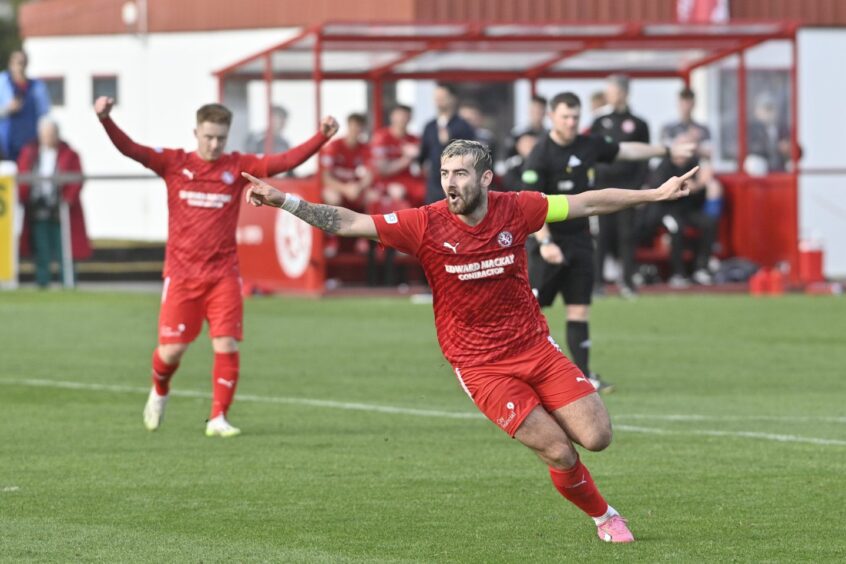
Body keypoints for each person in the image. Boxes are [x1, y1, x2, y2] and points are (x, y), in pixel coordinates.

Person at [241, 139, 697, 544]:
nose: (449, 183)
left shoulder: (517, 208)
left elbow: (587, 204)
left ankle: (592, 488)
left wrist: (654, 193)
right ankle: (604, 517)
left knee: (597, 437)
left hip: (535, 348)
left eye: (459, 173)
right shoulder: (424, 223)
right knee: (558, 449)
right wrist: (285, 200)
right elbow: (347, 222)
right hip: (480, 365)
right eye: (444, 174)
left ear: (485, 177)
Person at [94, 95, 338, 437]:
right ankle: (160, 389)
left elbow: (282, 161)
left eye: (220, 138)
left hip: (223, 274)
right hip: (181, 276)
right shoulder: (174, 163)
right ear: (196, 132)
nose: (214, 144)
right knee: (172, 351)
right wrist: (105, 119)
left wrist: (321, 137)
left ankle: (218, 418)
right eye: (208, 137)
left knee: (226, 343)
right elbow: (131, 149)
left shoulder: (235, 166)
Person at [521, 92, 693, 392]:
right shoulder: (540, 154)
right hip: (547, 242)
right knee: (533, 311)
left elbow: (626, 150)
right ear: (552, 117)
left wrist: (667, 150)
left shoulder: (588, 144)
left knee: (579, 309)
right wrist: (546, 242)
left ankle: (584, 375)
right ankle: (521, 373)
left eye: (575, 117)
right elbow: (531, 206)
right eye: (565, 117)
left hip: (580, 241)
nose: (571, 122)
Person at [590, 74, 651, 297]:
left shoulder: (639, 123)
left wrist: (639, 186)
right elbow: (591, 153)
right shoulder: (598, 121)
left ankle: (627, 282)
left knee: (627, 235)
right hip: (603, 187)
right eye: (609, 91)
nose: (611, 96)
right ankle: (597, 283)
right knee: (601, 235)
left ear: (625, 93)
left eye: (615, 91)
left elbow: (644, 158)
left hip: (628, 187)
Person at [17, 116, 91, 287]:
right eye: (44, 134)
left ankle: (68, 282)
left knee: (65, 249)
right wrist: (23, 196)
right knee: (40, 249)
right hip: (38, 207)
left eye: (50, 134)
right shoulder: (30, 152)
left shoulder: (69, 154)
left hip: (61, 209)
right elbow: (22, 175)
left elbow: (76, 178)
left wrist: (69, 198)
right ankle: (43, 282)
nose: (47, 137)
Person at [642, 131, 722, 287]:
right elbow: (663, 192)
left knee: (709, 222)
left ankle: (702, 268)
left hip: (687, 210)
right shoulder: (664, 166)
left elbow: (700, 189)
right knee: (676, 227)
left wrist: (699, 185)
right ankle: (678, 273)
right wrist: (694, 185)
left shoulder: (693, 164)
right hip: (666, 211)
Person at [418, 83, 475, 204]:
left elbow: (471, 153)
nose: (439, 101)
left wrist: (448, 141)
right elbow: (422, 155)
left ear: (453, 98)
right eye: (436, 97)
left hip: (457, 183)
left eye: (443, 97)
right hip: (434, 182)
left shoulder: (463, 126)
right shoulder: (430, 126)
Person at [0, 50, 51, 161]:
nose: (20, 67)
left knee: (26, 175)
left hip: (29, 144)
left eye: (23, 63)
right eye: (17, 63)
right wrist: (7, 109)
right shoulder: (2, 82)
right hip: (4, 145)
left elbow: (44, 115)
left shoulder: (37, 87)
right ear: (10, 64)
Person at [746, 93, 791, 173]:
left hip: (780, 172)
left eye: (772, 109)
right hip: (761, 174)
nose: (769, 113)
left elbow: (795, 149)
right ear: (757, 111)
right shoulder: (752, 130)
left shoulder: (783, 129)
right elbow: (751, 148)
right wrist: (776, 147)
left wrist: (788, 148)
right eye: (766, 109)